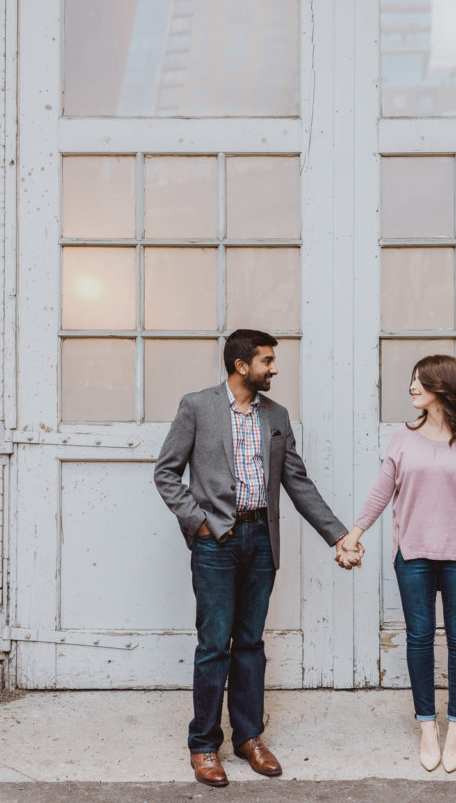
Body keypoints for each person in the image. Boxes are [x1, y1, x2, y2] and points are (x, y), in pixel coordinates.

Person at [154, 328, 362, 787]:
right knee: (213, 646)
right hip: (216, 543)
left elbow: (297, 482)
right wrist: (200, 522)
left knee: (250, 643)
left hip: (261, 540)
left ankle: (249, 738)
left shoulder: (277, 416)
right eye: (267, 360)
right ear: (241, 366)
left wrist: (339, 536)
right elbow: (166, 473)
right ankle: (204, 745)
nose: (275, 368)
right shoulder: (197, 407)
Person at [337, 354, 456, 774]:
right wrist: (354, 533)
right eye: (412, 380)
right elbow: (381, 491)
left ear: (444, 388)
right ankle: (427, 726)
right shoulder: (402, 438)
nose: (411, 387)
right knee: (419, 640)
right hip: (414, 557)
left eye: (420, 381)